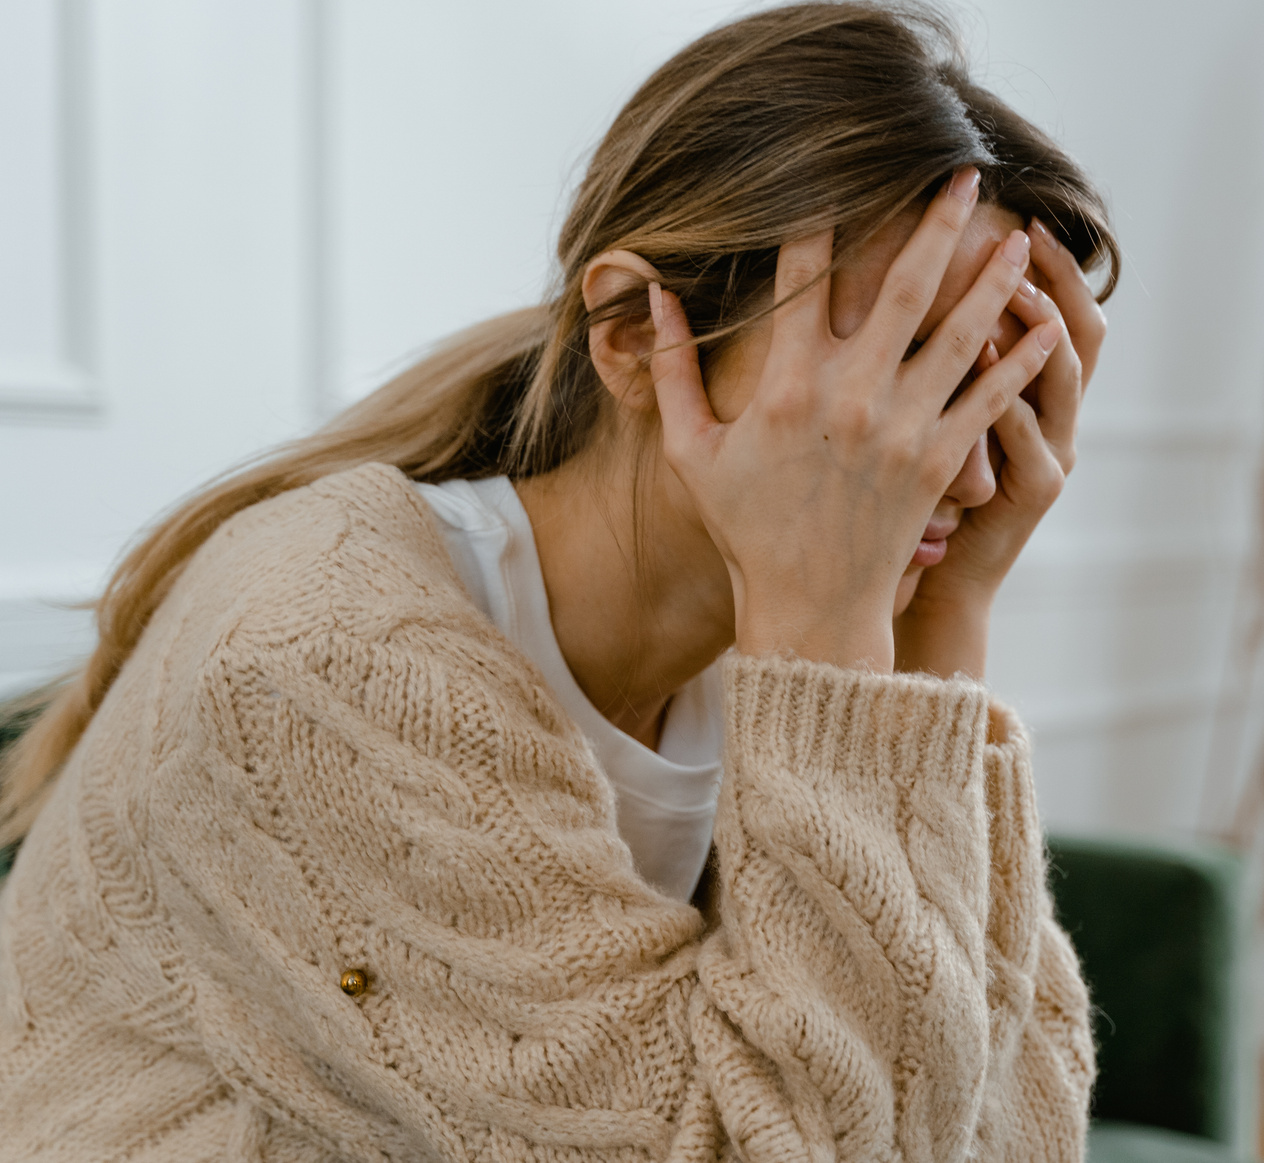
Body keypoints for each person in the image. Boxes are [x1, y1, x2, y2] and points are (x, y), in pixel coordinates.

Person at [0, 2, 1119, 1158]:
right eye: (897, 365)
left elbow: (1000, 1133)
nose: (956, 458)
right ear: (635, 332)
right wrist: (849, 646)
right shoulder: (324, 661)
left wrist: (945, 623)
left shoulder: (789, 635)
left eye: (1006, 383)